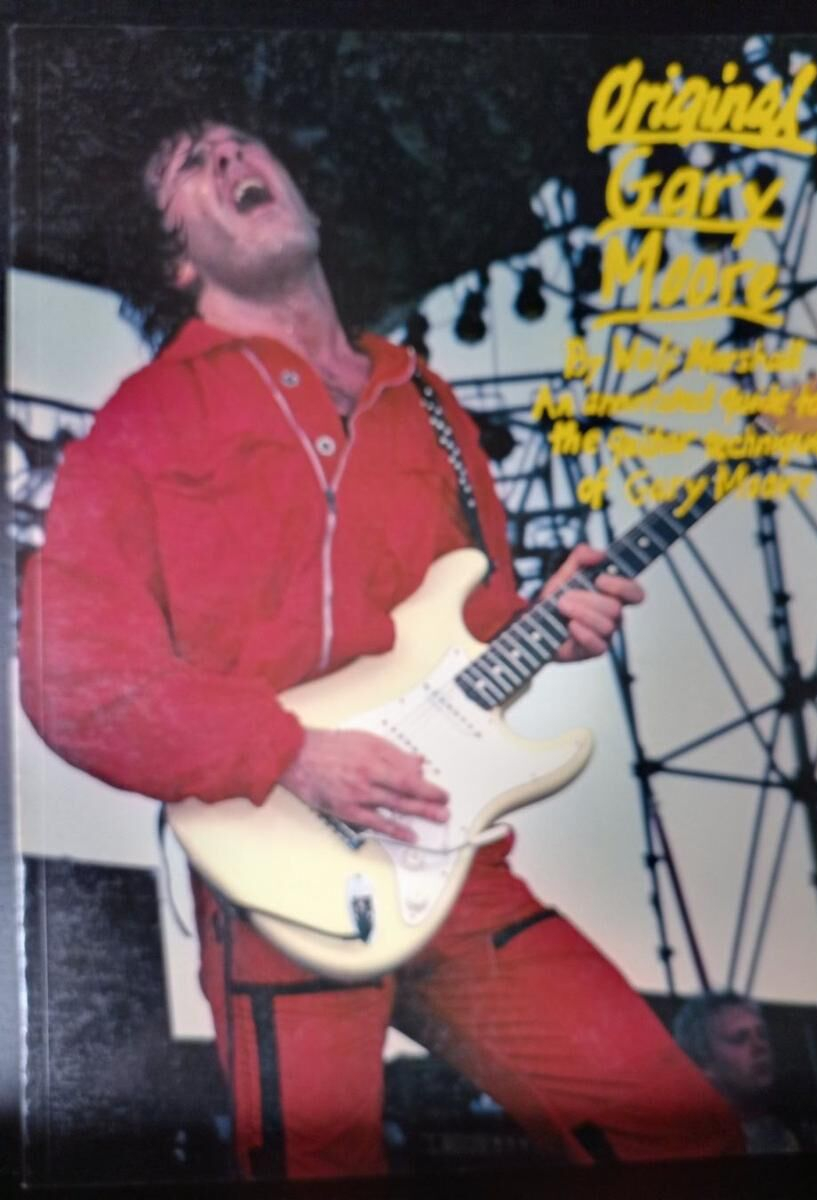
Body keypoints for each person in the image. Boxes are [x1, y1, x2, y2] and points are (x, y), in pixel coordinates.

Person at [19, 121, 743, 1179]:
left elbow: (467, 623)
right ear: (177, 260)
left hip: (453, 859)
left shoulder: (433, 408)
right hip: (277, 872)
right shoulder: (147, 419)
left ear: (303, 201)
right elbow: (67, 671)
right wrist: (291, 752)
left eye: (241, 145)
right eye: (192, 165)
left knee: (683, 1135)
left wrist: (551, 621)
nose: (230, 160)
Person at [673, 992, 817, 1154]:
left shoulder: (810, 1135)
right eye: (739, 1038)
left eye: (762, 1035)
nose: (760, 1046)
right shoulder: (685, 1147)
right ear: (703, 1061)